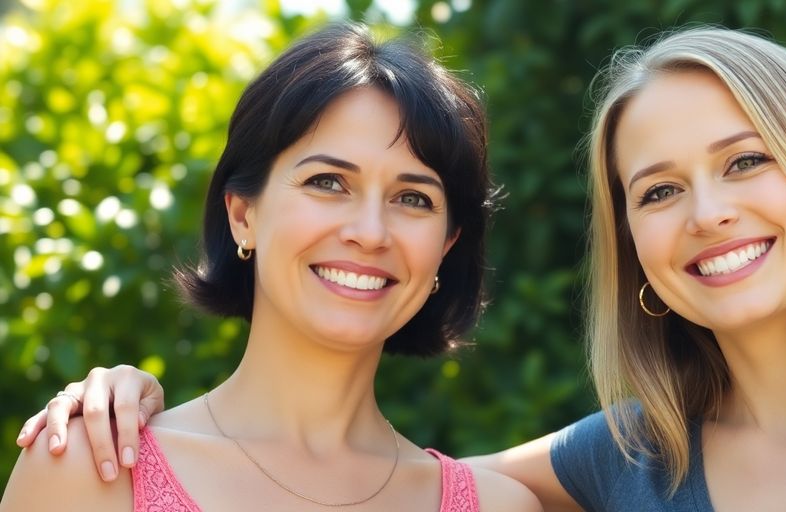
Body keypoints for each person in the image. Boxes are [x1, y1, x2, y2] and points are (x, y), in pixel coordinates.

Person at [13, 27, 786, 511]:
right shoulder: (624, 458)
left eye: (747, 160)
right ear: (241, 210)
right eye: (658, 188)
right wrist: (120, 397)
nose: (708, 211)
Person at [0, 22, 540, 512]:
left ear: (446, 245)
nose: (370, 232)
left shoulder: (500, 507)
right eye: (327, 183)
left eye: (413, 198)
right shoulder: (91, 469)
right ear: (243, 216)